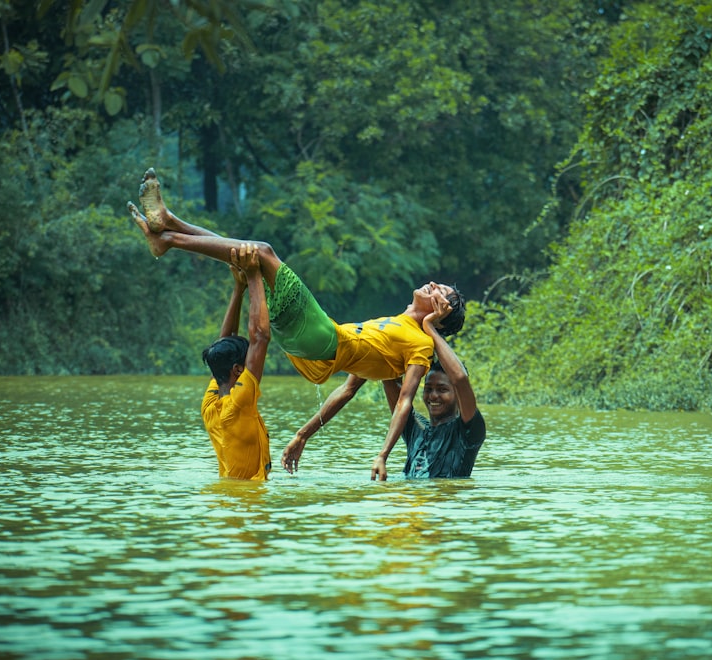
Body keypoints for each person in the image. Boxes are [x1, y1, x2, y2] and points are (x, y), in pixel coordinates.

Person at [128, 167, 466, 480]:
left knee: (262, 251)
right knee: (254, 257)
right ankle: (170, 223)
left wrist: (383, 455)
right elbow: (346, 390)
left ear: (442, 311)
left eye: (440, 293)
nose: (432, 285)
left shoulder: (419, 344)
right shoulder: (395, 330)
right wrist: (302, 435)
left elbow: (406, 401)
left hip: (322, 339)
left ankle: (168, 238)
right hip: (310, 349)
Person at [383, 309, 485, 478]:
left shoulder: (468, 433)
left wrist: (429, 327)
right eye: (428, 389)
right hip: (415, 502)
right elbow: (389, 377)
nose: (433, 396)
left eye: (442, 389)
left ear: (457, 395)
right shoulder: (414, 430)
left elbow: (459, 378)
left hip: (444, 503)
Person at [200, 243, 272, 481]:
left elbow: (223, 343)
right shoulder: (240, 402)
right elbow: (260, 337)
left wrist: (238, 288)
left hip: (231, 497)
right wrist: (253, 276)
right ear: (238, 369)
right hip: (249, 504)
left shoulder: (211, 404)